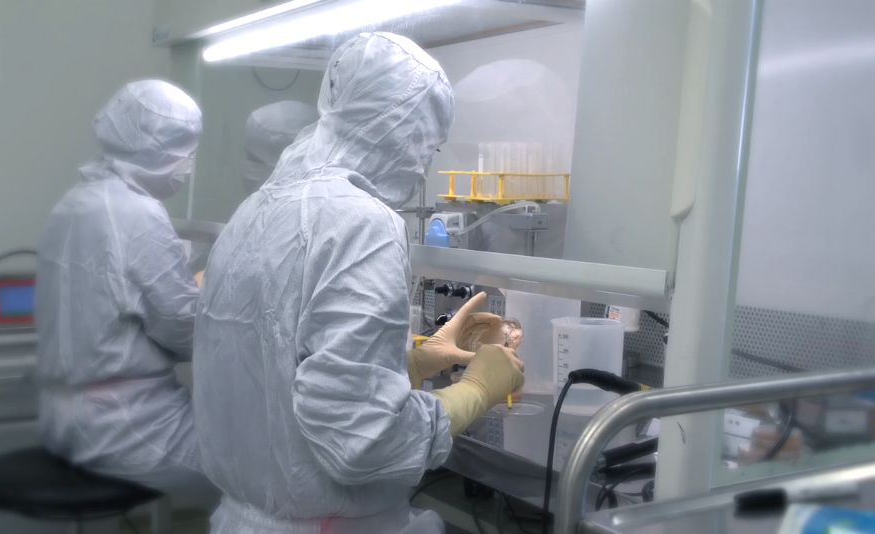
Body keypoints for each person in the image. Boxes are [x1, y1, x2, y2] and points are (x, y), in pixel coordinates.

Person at [193, 32, 524, 534]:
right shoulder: (362, 223)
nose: (422, 168)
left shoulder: (254, 211)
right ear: (401, 130)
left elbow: (280, 373)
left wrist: (413, 362)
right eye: (427, 148)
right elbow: (365, 442)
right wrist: (479, 388)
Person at [35, 80, 220, 509]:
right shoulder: (134, 212)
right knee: (260, 483)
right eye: (185, 151)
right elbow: (186, 331)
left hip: (69, 416)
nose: (187, 167)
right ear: (159, 149)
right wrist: (214, 291)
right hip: (127, 423)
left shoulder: (78, 202)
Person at [188, 100, 318, 275]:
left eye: (253, 157)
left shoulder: (310, 226)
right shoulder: (248, 213)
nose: (245, 165)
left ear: (283, 160)